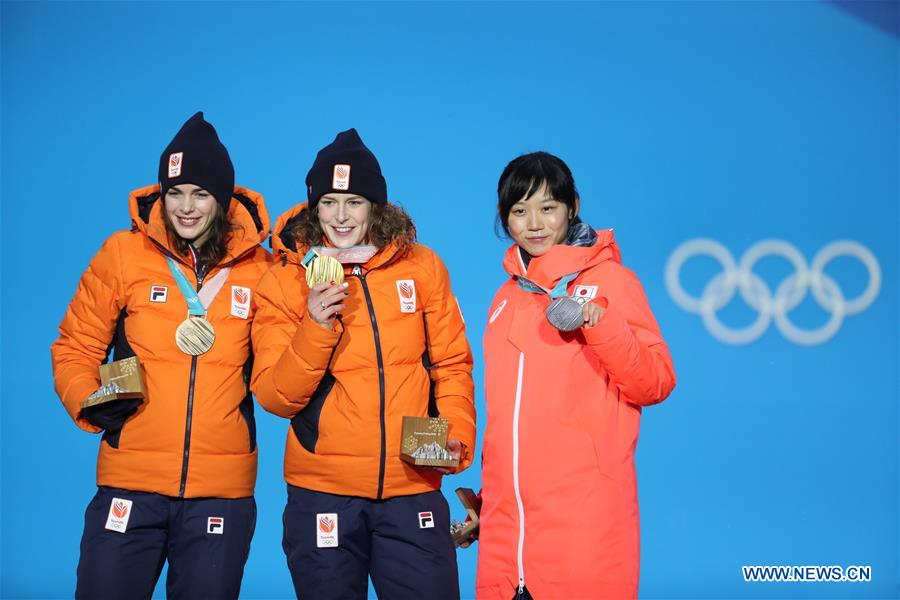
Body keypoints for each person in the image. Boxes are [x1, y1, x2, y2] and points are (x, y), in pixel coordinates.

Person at [51, 112, 271, 599]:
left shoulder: (261, 268)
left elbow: (283, 365)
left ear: (223, 197)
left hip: (222, 490)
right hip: (130, 479)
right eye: (175, 192)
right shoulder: (123, 255)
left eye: (201, 194)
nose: (186, 207)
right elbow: (75, 345)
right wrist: (90, 399)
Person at [251, 128, 475, 600]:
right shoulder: (284, 279)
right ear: (314, 207)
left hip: (411, 484)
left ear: (376, 206)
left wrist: (454, 435)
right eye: (329, 202)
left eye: (354, 201)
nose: (341, 216)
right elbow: (274, 396)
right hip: (323, 492)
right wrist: (314, 324)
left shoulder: (421, 267)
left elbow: (451, 363)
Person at [476, 152, 676, 599]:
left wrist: (596, 319)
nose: (534, 223)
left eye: (548, 207)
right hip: (505, 542)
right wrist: (489, 503)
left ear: (573, 206)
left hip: (584, 530)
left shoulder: (612, 282)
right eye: (519, 211)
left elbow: (655, 381)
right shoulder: (505, 298)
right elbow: (508, 423)